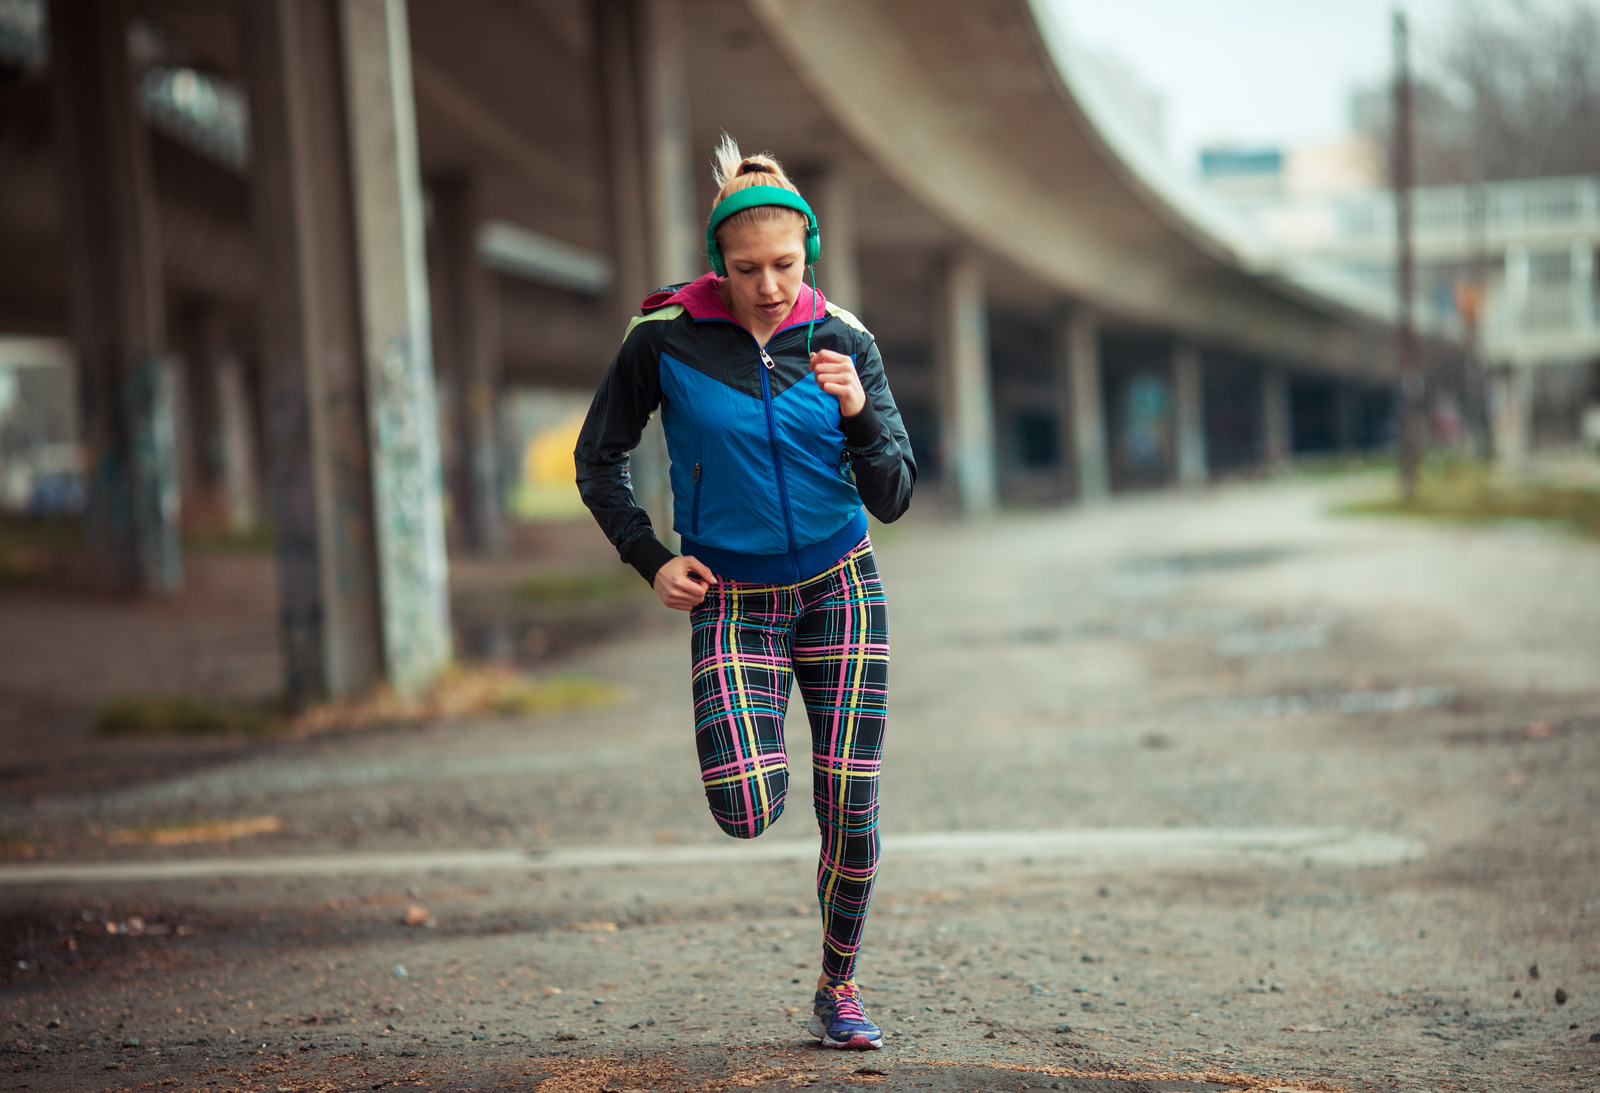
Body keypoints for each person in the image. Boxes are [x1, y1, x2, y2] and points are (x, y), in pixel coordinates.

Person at [575, 135, 916, 1050]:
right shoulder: (663, 339)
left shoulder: (845, 339)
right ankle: (763, 807)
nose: (769, 285)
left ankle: (837, 985)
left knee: (849, 798)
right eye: (746, 267)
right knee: (745, 805)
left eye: (785, 265)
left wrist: (858, 415)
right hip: (732, 599)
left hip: (842, 585)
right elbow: (597, 458)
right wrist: (651, 558)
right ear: (716, 263)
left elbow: (894, 495)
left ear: (808, 254)